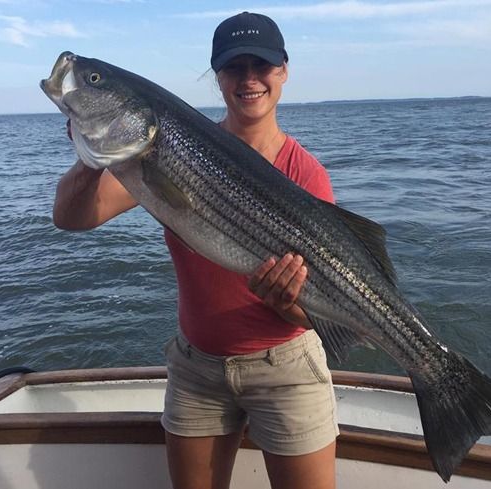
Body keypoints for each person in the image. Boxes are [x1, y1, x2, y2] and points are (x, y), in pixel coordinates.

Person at [53, 11, 338, 489]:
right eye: (233, 67)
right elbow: (72, 218)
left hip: (286, 370)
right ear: (217, 76)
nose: (248, 79)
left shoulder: (305, 173)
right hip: (196, 369)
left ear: (283, 70)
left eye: (261, 65)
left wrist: (288, 303)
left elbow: (323, 317)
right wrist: (88, 160)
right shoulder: (157, 154)